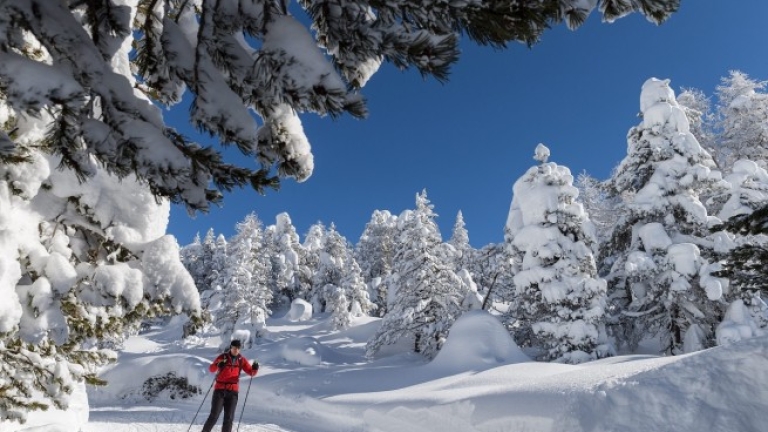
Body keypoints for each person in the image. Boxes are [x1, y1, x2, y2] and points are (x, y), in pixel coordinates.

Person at [201, 339, 259, 432]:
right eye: (234, 348)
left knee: (229, 418)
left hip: (233, 392)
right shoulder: (223, 357)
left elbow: (251, 372)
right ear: (231, 348)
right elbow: (211, 369)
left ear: (240, 349)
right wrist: (218, 364)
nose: (236, 350)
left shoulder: (241, 360)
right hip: (219, 391)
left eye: (238, 348)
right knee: (214, 415)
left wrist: (255, 369)